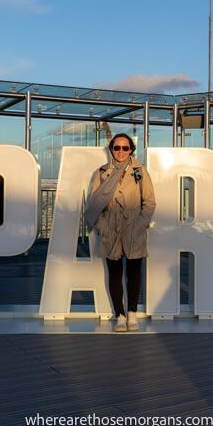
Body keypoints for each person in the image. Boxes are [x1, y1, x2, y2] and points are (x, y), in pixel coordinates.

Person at [85, 133, 155, 332]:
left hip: (134, 227)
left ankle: (132, 312)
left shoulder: (140, 171)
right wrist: (102, 226)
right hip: (111, 227)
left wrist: (140, 224)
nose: (121, 152)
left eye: (125, 148)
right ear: (111, 149)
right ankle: (120, 315)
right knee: (114, 273)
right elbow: (93, 203)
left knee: (134, 272)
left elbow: (149, 201)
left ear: (131, 149)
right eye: (117, 148)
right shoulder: (101, 173)